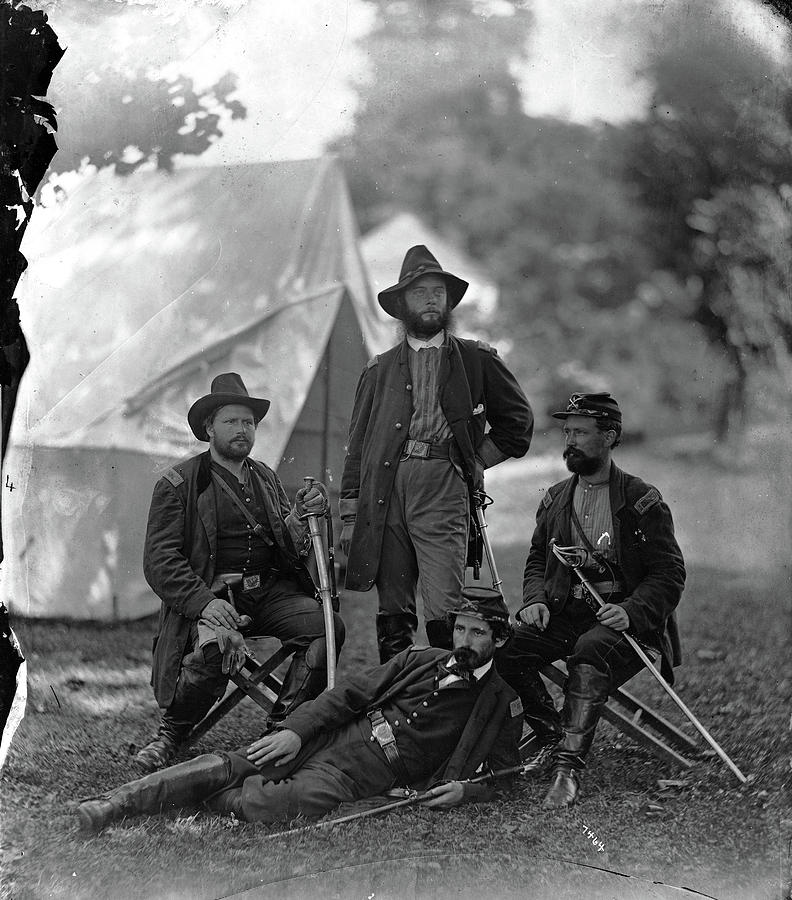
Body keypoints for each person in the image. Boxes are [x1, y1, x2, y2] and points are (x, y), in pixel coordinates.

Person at [77, 588, 524, 832]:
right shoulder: (419, 660)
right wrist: (295, 730)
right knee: (235, 763)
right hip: (332, 735)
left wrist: (468, 792)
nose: (464, 641)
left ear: (498, 640)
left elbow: (506, 777)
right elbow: (347, 695)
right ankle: (113, 805)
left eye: (477, 633)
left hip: (362, 774)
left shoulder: (501, 702)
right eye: (461, 629)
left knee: (268, 802)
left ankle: (206, 792)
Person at [134, 372, 345, 773]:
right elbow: (160, 560)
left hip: (267, 594)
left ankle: (281, 729)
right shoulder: (178, 483)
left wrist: (302, 514)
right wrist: (204, 605)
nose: (242, 430)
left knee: (326, 627)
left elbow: (285, 535)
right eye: (231, 421)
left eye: (248, 422)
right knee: (212, 653)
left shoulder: (264, 475)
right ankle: (171, 736)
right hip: (213, 600)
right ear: (209, 427)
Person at [340, 245, 533, 662]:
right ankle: (398, 700)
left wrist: (475, 460)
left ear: (448, 301)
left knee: (445, 601)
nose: (431, 299)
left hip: (443, 486)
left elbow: (518, 425)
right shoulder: (379, 368)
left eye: (438, 292)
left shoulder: (476, 358)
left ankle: (449, 699)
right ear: (402, 304)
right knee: (392, 602)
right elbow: (356, 447)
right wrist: (351, 515)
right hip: (384, 492)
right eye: (419, 292)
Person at [496, 391, 685, 809]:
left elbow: (669, 573)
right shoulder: (556, 499)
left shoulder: (641, 500)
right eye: (567, 432)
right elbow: (536, 559)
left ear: (610, 437)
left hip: (626, 625)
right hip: (568, 612)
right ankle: (550, 735)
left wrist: (631, 611)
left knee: (591, 650)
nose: (571, 441)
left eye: (581, 432)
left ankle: (567, 769)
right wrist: (534, 599)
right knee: (506, 646)